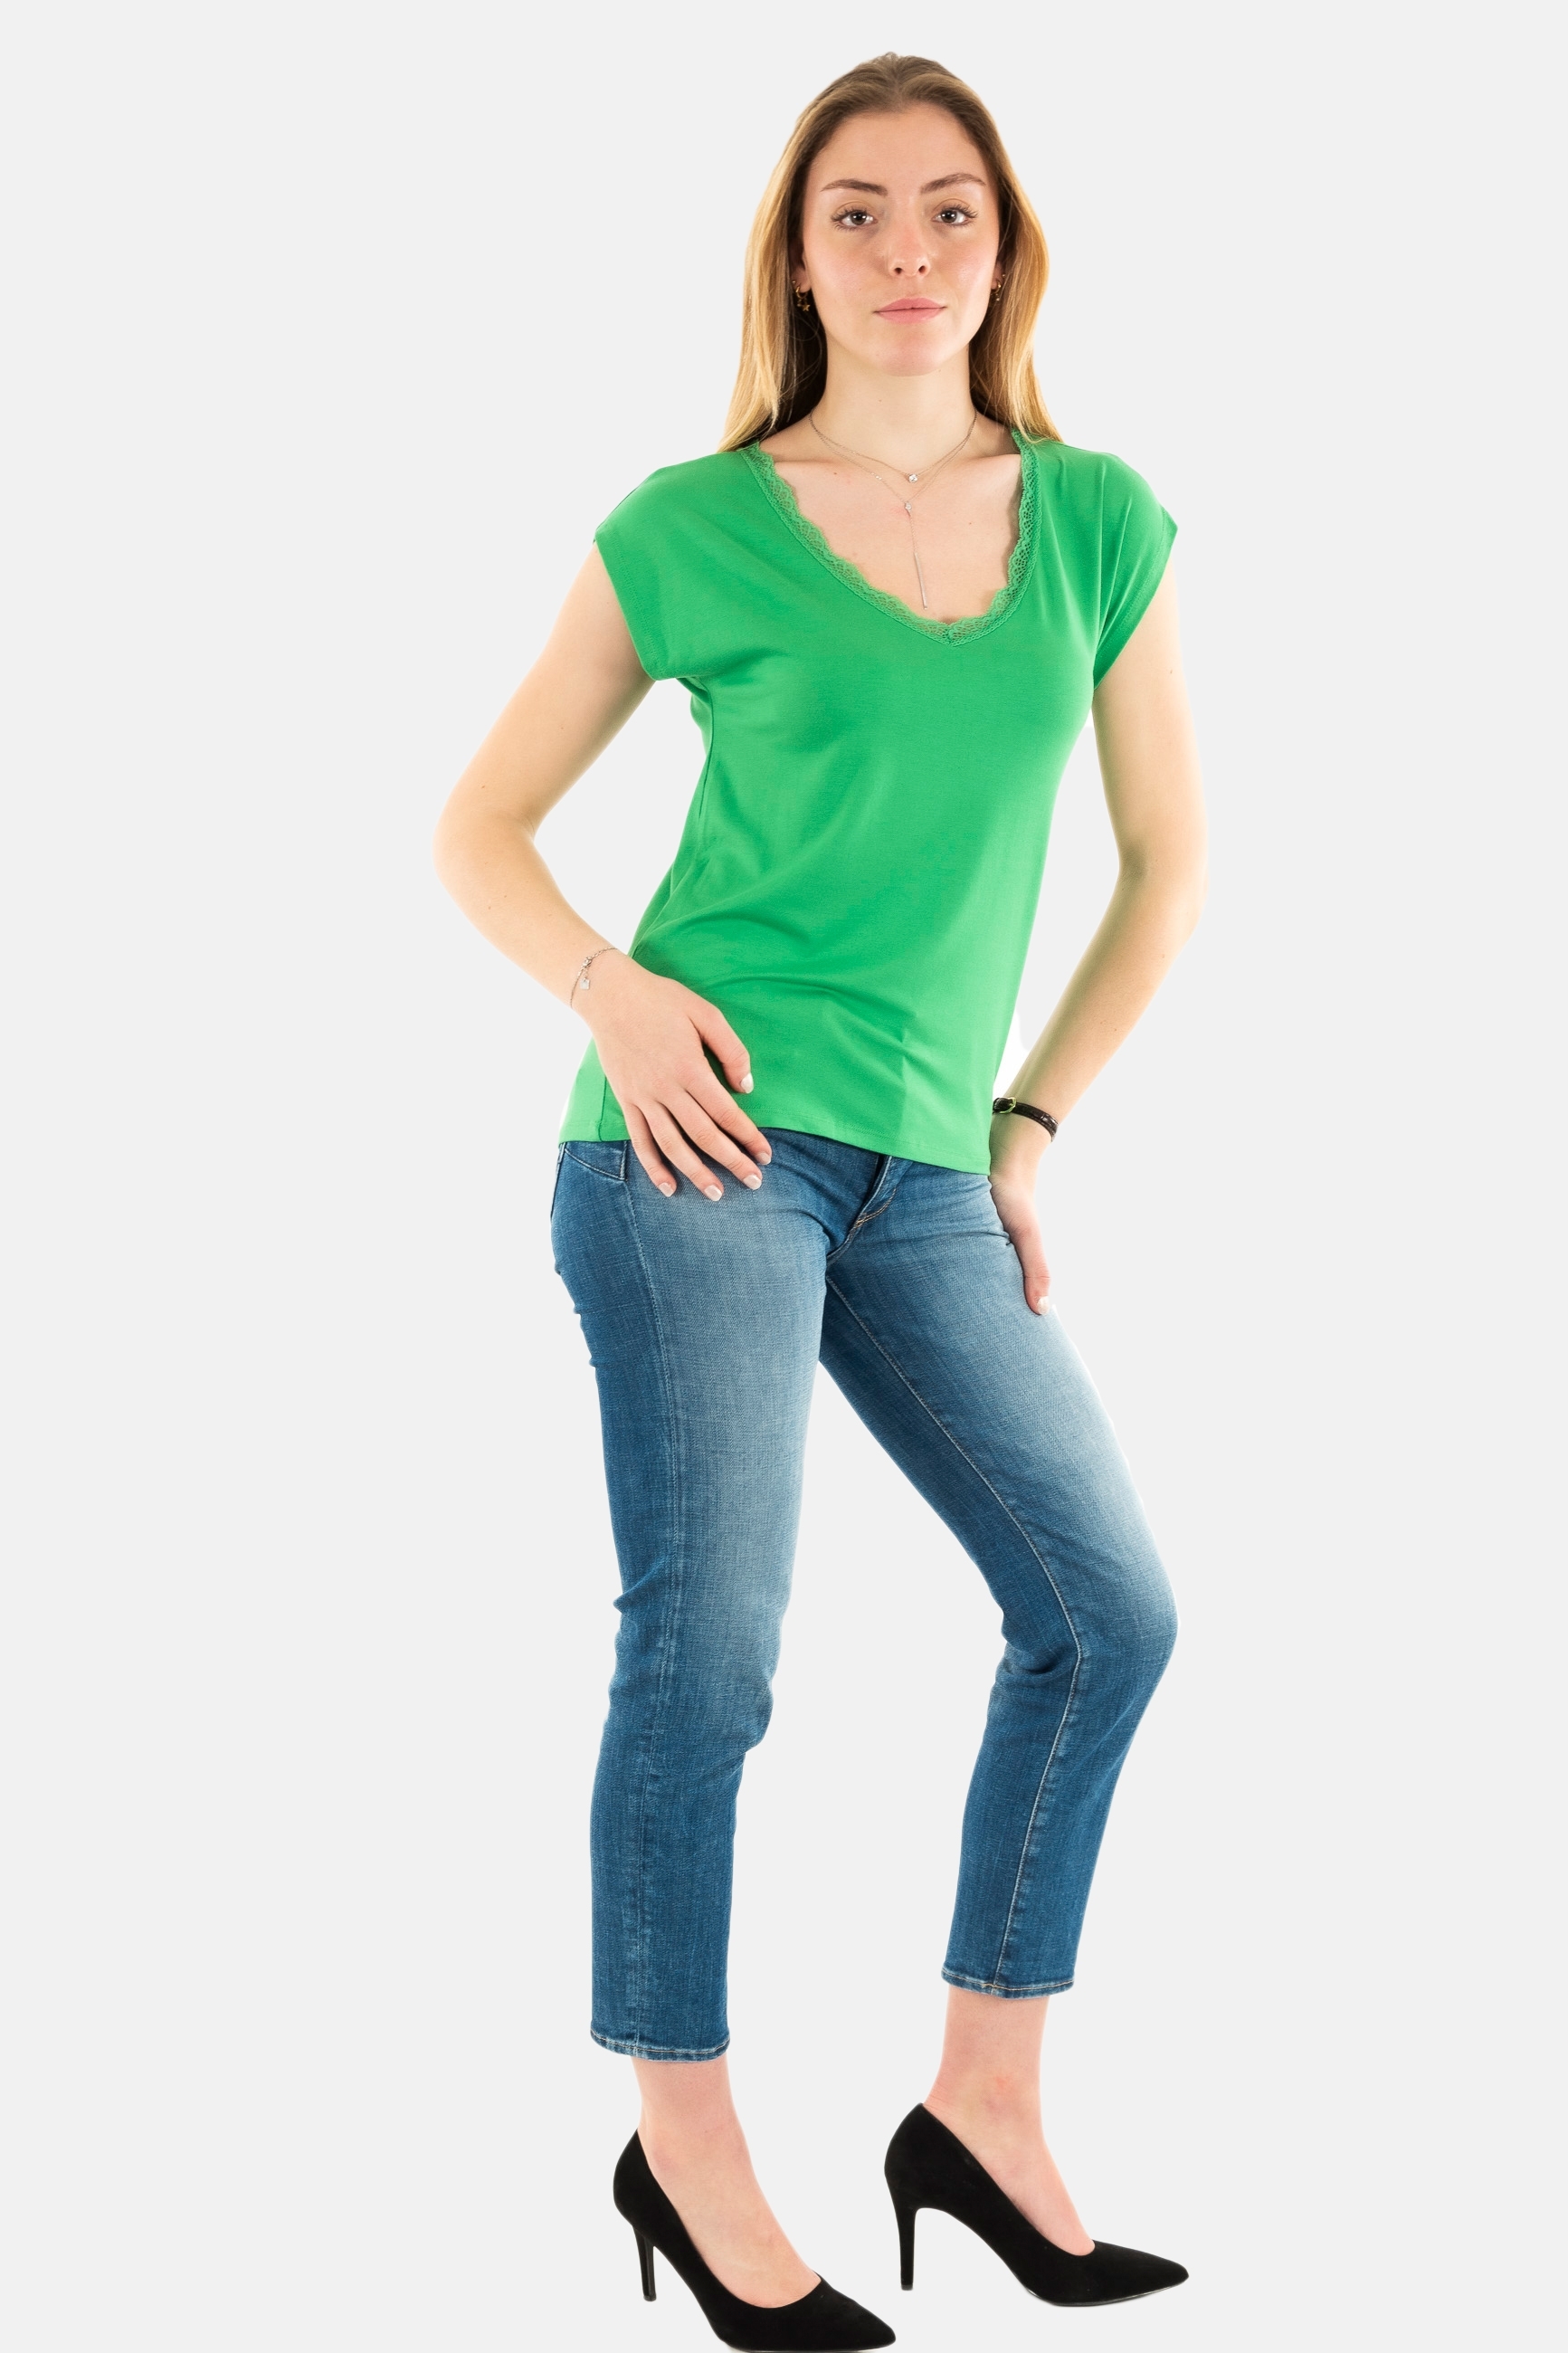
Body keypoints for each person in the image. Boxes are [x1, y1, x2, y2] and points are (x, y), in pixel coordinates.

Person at [435, 50, 1207, 2351]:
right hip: (696, 1148)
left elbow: (1170, 866)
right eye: (854, 211)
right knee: (716, 1648)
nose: (903, 251)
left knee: (1107, 1614)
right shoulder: (691, 524)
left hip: (929, 1172)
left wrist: (1028, 1126)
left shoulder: (1095, 522)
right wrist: (612, 990)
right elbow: (476, 826)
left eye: (948, 208)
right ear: (796, 255)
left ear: (1006, 247)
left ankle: (983, 2107)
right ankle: (684, 2148)